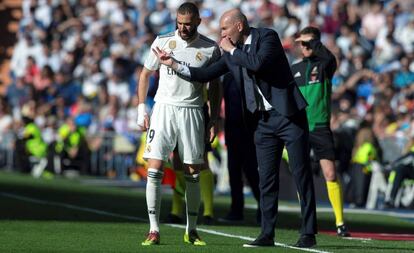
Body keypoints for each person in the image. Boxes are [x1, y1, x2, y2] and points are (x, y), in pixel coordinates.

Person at [153, 8, 317, 248]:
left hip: (288, 116)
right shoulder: (232, 53)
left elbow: (258, 64)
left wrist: (230, 50)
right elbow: (205, 74)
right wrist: (175, 65)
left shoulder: (267, 37)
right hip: (262, 121)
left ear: (238, 27)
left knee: (301, 174)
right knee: (266, 180)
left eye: (224, 29)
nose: (221, 34)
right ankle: (267, 234)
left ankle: (308, 233)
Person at [136, 2, 220, 246]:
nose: (183, 28)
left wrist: (213, 118)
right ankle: (153, 230)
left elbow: (215, 85)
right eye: (180, 23)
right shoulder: (162, 41)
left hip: (193, 111)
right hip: (164, 109)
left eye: (188, 24)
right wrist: (142, 108)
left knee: (193, 171)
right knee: (154, 169)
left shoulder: (210, 48)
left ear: (198, 22)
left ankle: (191, 230)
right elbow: (145, 74)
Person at [291, 26, 350, 237]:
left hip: (320, 127)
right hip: (299, 128)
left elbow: (330, 58)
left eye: (308, 43)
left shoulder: (325, 65)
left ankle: (340, 223)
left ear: (316, 43)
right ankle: (306, 219)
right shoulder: (294, 68)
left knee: (330, 174)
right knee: (301, 175)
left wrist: (313, 42)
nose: (304, 47)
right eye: (301, 43)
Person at [220, 73, 260, 223]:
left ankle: (263, 208)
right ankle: (236, 210)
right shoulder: (229, 76)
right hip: (232, 129)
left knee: (251, 172)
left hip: (247, 131)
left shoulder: (248, 74)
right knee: (234, 171)